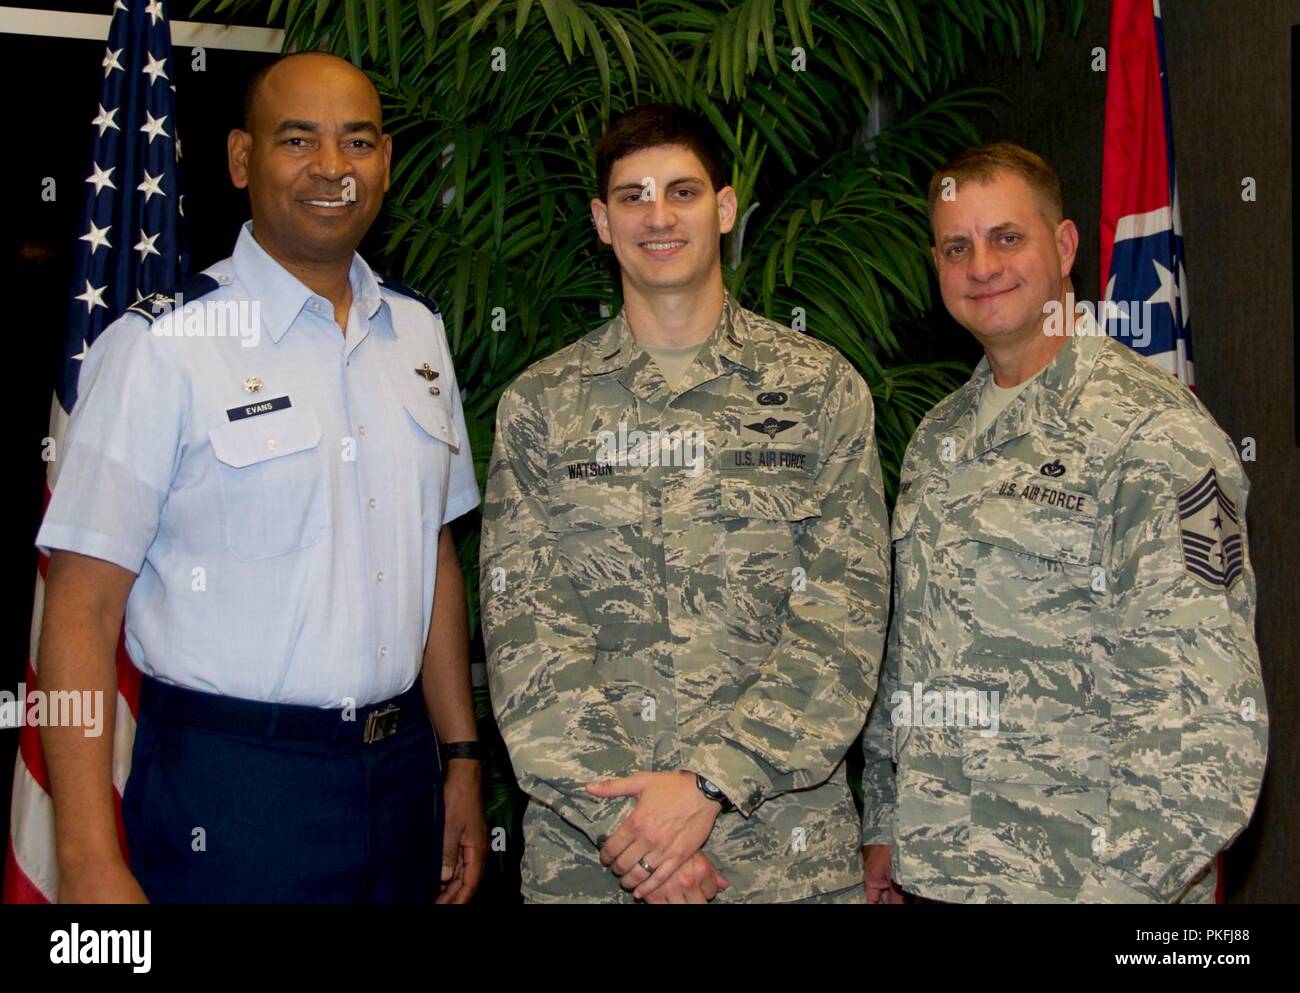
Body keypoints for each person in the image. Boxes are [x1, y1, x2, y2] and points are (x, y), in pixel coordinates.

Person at [37, 51, 485, 903]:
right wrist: (89, 857)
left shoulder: (419, 335)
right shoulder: (164, 346)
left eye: (357, 141)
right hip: (231, 789)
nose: (331, 168)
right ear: (243, 159)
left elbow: (434, 556)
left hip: (400, 782)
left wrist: (459, 757)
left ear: (386, 162)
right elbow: (79, 605)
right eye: (298, 140)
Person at [480, 102, 890, 903]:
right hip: (594, 865)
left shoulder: (821, 391)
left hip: (782, 861)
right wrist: (635, 837)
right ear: (602, 221)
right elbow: (525, 635)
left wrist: (708, 785)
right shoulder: (540, 406)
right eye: (632, 196)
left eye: (683, 191)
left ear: (725, 208)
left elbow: (845, 621)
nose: (657, 216)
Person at [861, 142, 1268, 904]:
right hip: (939, 875)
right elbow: (911, 651)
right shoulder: (938, 438)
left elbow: (1204, 732)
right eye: (957, 246)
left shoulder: (1153, 435)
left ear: (1065, 244)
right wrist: (887, 825)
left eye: (1006, 237)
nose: (981, 266)